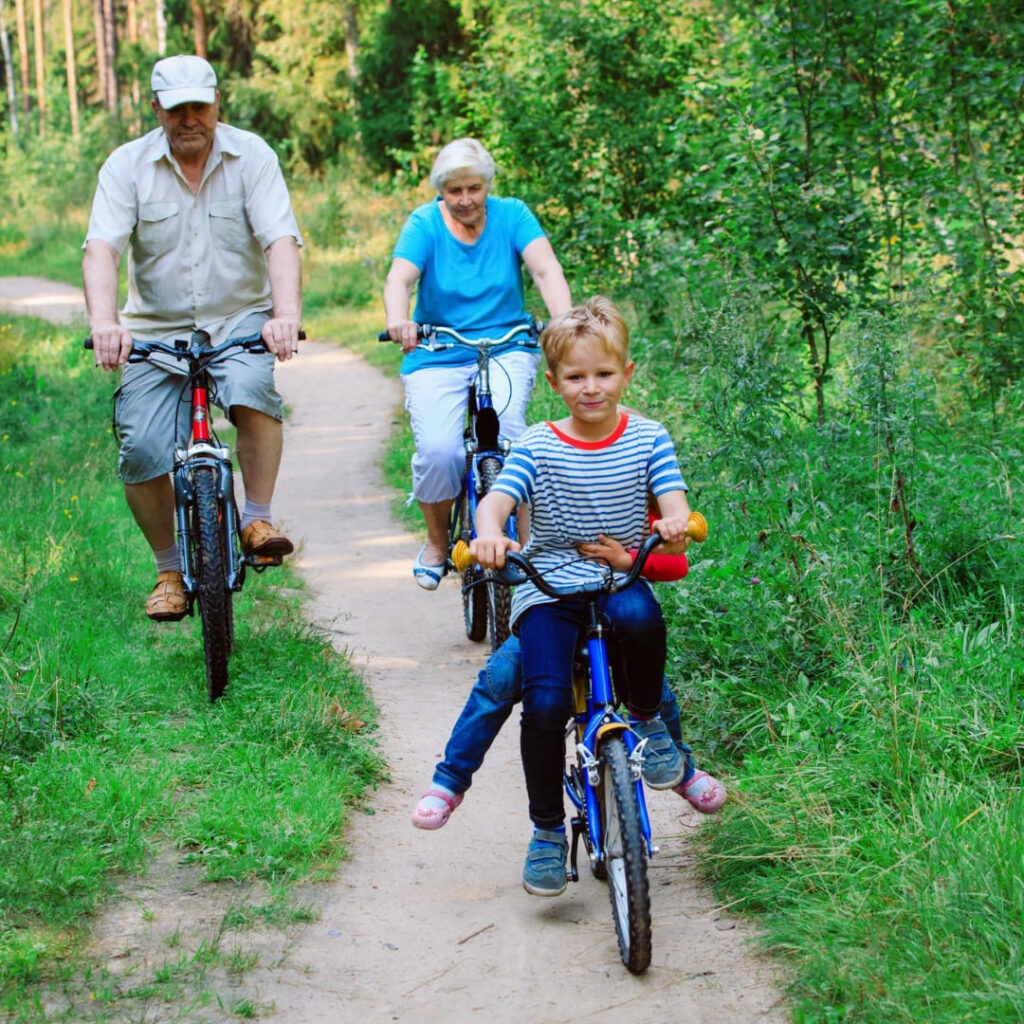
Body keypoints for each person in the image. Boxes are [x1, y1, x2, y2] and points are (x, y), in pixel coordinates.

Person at [471, 296, 692, 897]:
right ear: (553, 382)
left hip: (615, 577)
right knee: (543, 704)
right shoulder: (539, 444)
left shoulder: (649, 436)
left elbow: (674, 501)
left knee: (642, 615)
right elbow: (500, 499)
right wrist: (490, 531)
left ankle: (646, 720)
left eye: (603, 374)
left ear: (626, 373)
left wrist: (673, 522)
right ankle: (546, 831)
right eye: (575, 377)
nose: (591, 388)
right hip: (548, 589)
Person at [82, 54, 303, 621]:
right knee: (142, 448)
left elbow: (280, 238)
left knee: (253, 390)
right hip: (155, 330)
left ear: (216, 103)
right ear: (155, 108)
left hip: (238, 317)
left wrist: (285, 313)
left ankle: (256, 517)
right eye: (176, 108)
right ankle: (169, 571)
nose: (189, 119)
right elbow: (102, 248)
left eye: (199, 106)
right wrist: (105, 323)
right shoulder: (126, 166)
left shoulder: (251, 155)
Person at [411, 518, 726, 830]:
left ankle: (679, 767)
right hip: (547, 607)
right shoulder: (536, 489)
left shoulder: (628, 497)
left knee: (650, 682)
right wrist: (494, 547)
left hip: (609, 610)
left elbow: (676, 562)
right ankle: (451, 779)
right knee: (500, 679)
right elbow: (503, 522)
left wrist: (627, 559)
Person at [382, 137, 571, 589]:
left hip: (506, 345)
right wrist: (398, 320)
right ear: (440, 191)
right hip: (437, 352)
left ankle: (529, 547)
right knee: (439, 451)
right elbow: (400, 278)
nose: (465, 200)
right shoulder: (425, 223)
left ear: (487, 186)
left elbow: (545, 269)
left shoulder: (513, 214)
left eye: (473, 189)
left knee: (511, 439)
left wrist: (564, 322)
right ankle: (435, 543)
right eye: (454, 191)